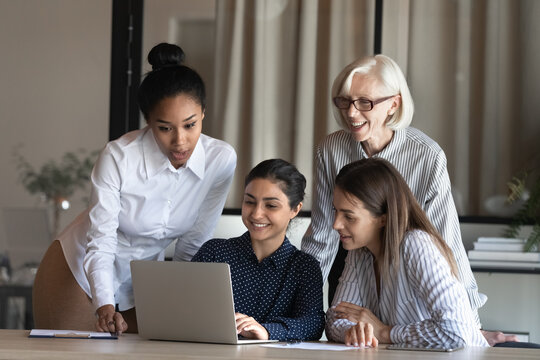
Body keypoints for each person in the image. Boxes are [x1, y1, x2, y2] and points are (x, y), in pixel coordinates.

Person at [300, 54, 517, 346]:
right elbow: (324, 234)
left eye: (365, 102)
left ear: (394, 103)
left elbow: (446, 242)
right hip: (357, 252)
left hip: (417, 276)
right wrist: (304, 313)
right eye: (345, 101)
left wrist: (470, 326)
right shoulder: (332, 149)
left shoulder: (426, 155)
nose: (352, 113)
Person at [32, 43, 237, 334]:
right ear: (148, 122)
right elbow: (101, 240)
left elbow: (194, 241)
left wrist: (177, 298)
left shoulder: (221, 160)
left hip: (142, 280)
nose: (180, 141)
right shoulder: (119, 157)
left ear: (203, 112)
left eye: (190, 125)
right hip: (78, 270)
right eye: (165, 128)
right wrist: (103, 305)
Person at [326, 158, 489, 347]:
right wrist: (354, 331)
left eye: (348, 216)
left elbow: (456, 333)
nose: (336, 224)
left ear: (383, 219)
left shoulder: (416, 245)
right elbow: (334, 320)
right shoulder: (359, 251)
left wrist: (385, 332)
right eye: (335, 211)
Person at [191, 159, 325, 341]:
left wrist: (266, 331)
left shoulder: (304, 267)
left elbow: (313, 324)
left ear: (295, 209)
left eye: (270, 205)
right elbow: (184, 308)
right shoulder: (214, 252)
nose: (256, 214)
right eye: (249, 202)